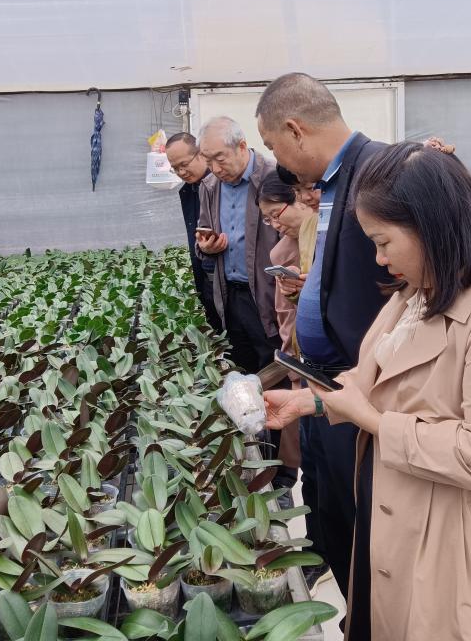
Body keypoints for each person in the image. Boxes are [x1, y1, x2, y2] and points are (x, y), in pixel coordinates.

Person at [264, 141, 471, 641]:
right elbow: (378, 380)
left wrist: (373, 421)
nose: (379, 259)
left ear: (431, 226)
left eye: (383, 242)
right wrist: (311, 401)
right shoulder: (416, 292)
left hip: (459, 532)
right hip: (394, 510)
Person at [255, 73, 390, 598]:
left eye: (273, 145)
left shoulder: (376, 175)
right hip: (324, 383)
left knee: (362, 520)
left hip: (361, 385)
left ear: (295, 129)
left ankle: (367, 610)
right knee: (330, 506)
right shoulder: (332, 186)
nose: (279, 161)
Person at [256, 174, 323, 559]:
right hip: (303, 360)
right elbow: (286, 315)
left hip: (331, 364)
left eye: (275, 214)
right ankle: (318, 545)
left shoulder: (325, 238)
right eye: (266, 219)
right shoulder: (283, 251)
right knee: (313, 460)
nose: (274, 224)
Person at [194, 116, 281, 373]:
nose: (214, 168)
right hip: (229, 294)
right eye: (207, 160)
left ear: (241, 146)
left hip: (268, 294)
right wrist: (206, 248)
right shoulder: (209, 186)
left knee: (274, 365)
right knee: (241, 363)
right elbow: (202, 231)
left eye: (220, 158)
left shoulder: (273, 176)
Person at [165, 132, 223, 331]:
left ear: (201, 154)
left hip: (227, 278)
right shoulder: (189, 191)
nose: (181, 172)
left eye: (184, 164)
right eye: (175, 168)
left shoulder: (221, 185)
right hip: (206, 273)